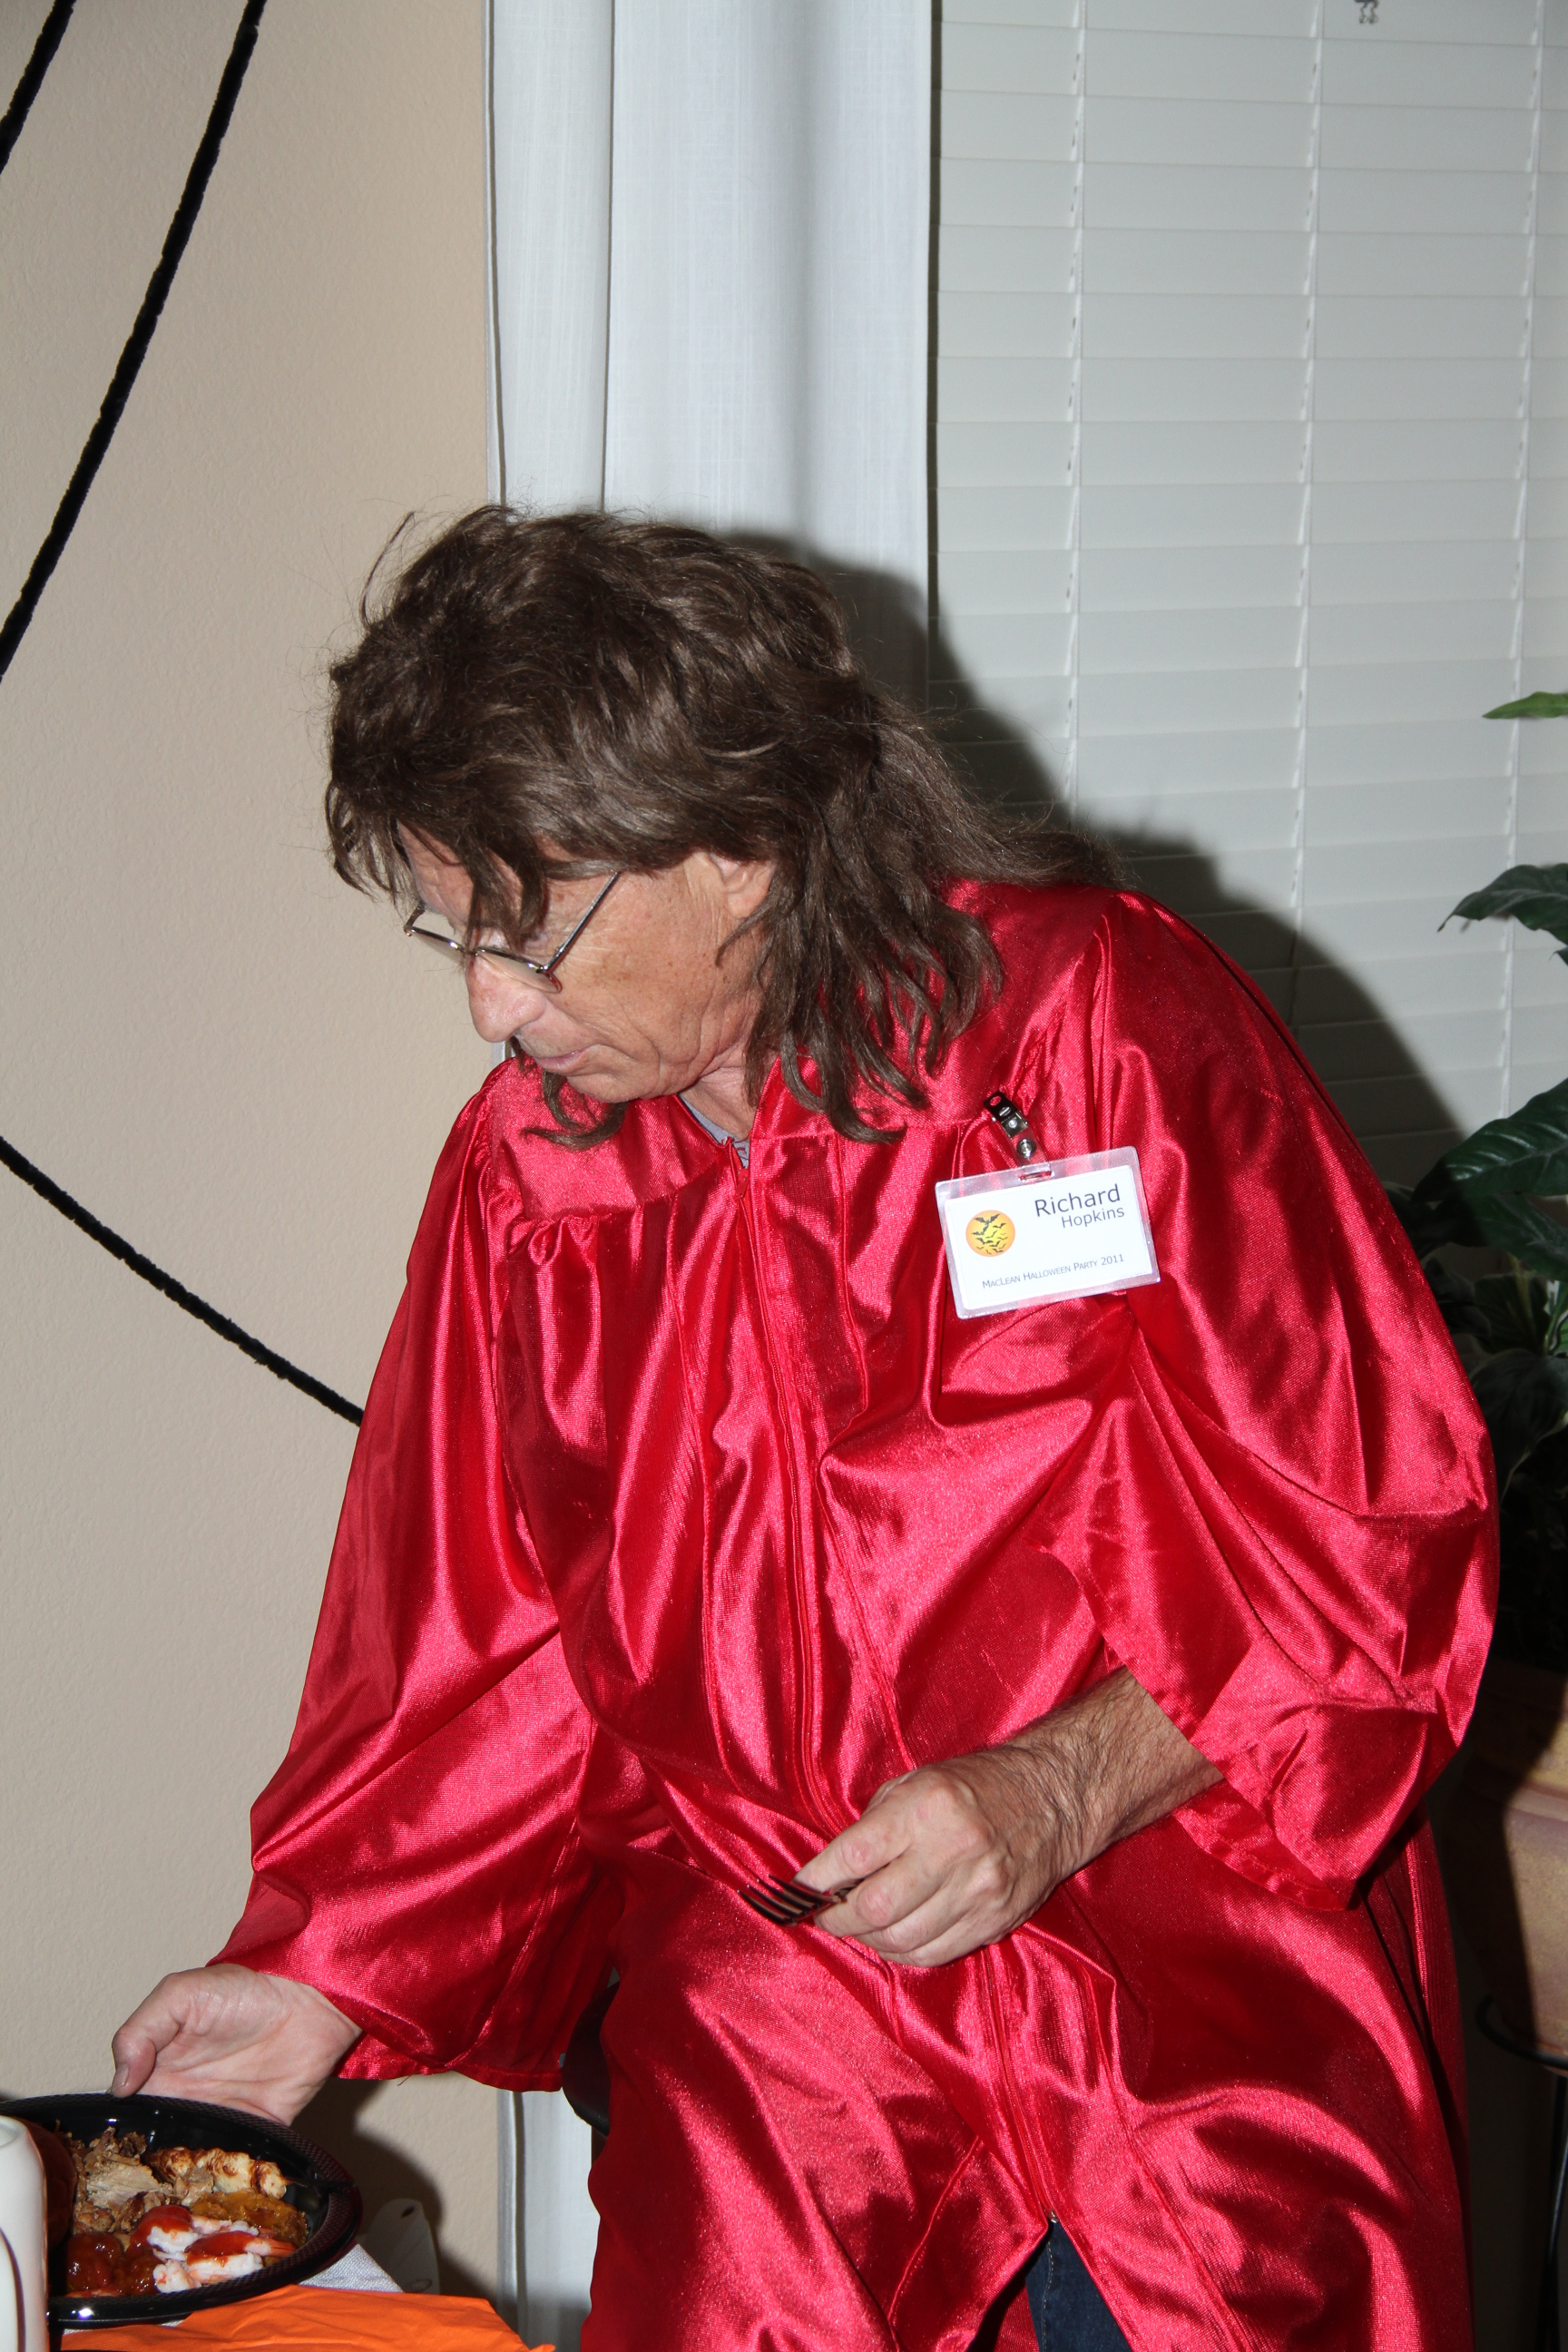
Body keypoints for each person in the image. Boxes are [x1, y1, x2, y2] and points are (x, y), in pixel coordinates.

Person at [113, 510, 1495, 2352]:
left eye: (533, 938)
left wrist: (1055, 1791)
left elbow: (1364, 1519)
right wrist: (320, 1975)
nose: (492, 1008)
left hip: (1191, 1971)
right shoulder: (537, 1186)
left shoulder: (1088, 1032)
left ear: (742, 846)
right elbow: (489, 1648)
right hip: (794, 2036)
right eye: (455, 936)